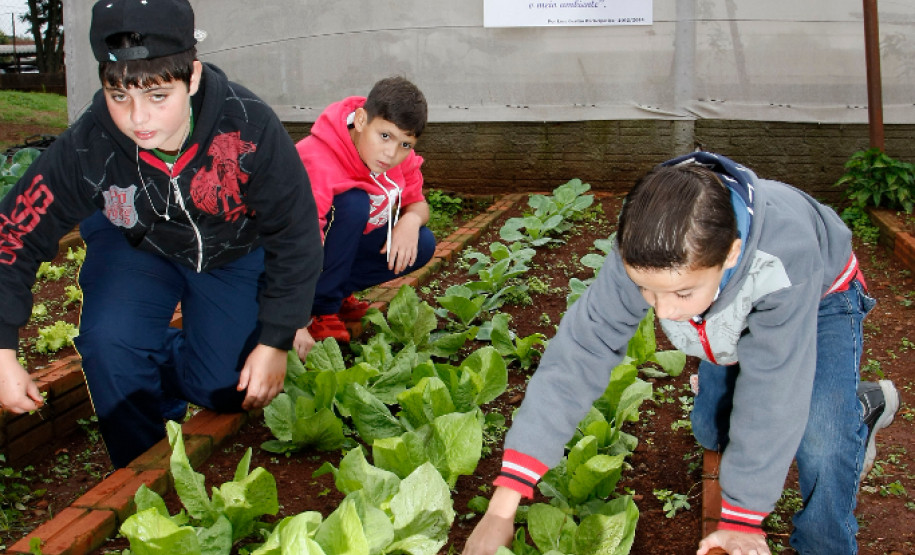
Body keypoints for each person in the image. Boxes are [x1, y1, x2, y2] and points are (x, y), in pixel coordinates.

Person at [463, 151, 900, 555]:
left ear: (729, 255)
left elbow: (774, 388)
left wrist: (742, 519)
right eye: (645, 291)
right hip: (719, 309)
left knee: (822, 440)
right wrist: (504, 503)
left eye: (680, 292)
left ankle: (850, 426)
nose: (664, 311)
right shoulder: (646, 241)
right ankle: (749, 360)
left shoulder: (783, 257)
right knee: (714, 432)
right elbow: (581, 352)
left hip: (821, 296)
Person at [0, 0, 322, 469]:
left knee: (227, 388)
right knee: (112, 346)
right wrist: (3, 349)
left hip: (231, 248)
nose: (137, 120)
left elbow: (295, 231)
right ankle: (139, 476)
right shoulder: (88, 144)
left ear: (191, 77)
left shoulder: (249, 126)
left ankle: (159, 361)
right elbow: (13, 232)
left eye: (157, 97)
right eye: (119, 97)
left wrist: (275, 339)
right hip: (135, 244)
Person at [295, 76, 436, 342]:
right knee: (353, 203)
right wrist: (293, 318)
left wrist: (410, 220)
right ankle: (320, 309)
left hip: (336, 249)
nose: (390, 154)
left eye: (405, 145)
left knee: (423, 242)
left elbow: (418, 203)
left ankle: (334, 293)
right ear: (361, 120)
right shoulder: (319, 159)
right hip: (285, 254)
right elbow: (298, 242)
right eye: (384, 136)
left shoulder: (396, 157)